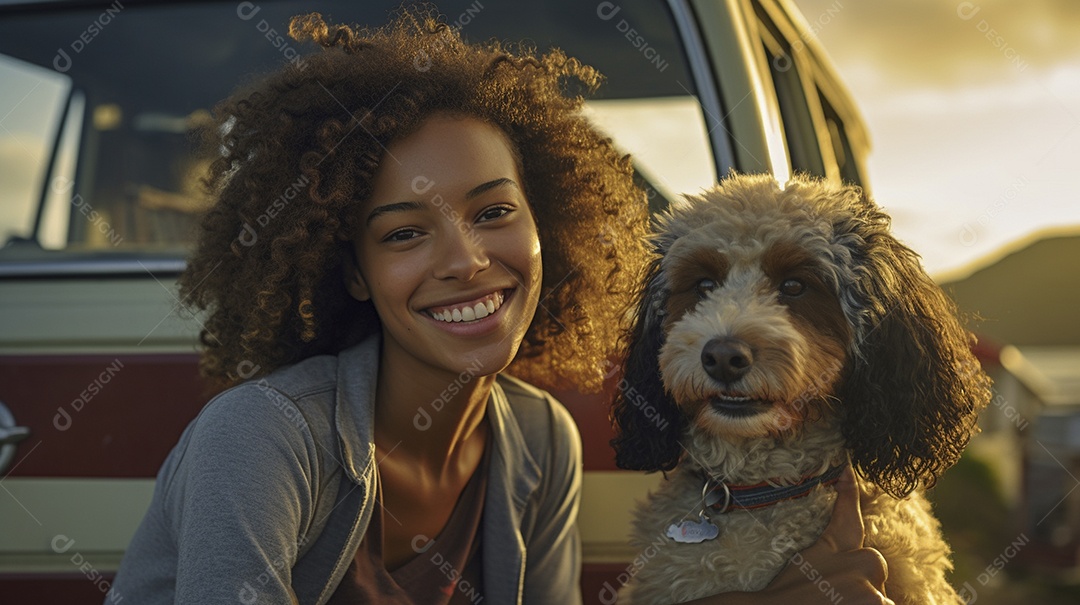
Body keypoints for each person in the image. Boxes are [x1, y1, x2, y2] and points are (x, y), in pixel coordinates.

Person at [109, 9, 891, 605]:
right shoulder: (265, 435)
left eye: (492, 213)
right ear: (352, 270)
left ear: (547, 224)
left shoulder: (540, 439)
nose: (466, 261)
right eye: (406, 232)